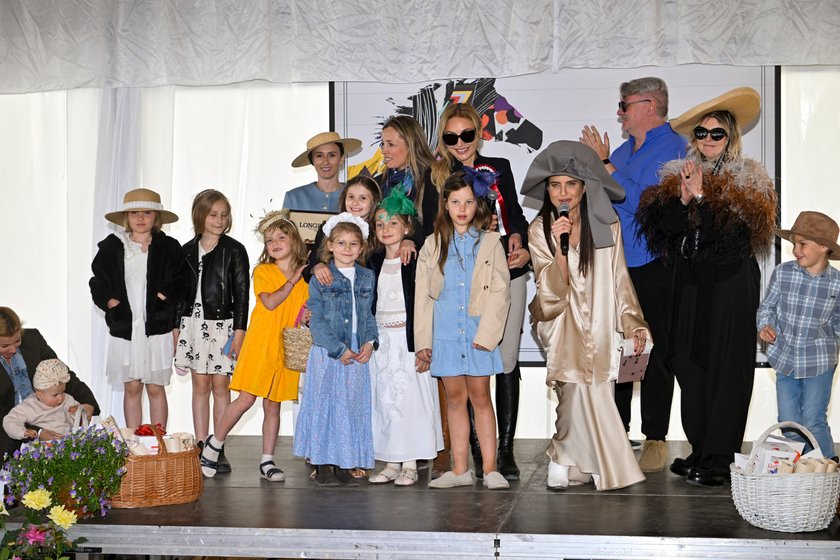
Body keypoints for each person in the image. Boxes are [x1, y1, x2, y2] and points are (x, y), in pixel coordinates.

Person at [636, 87, 777, 486]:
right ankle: (700, 449)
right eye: (702, 133)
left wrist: (702, 196)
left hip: (730, 285)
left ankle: (720, 458)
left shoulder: (750, 178)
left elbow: (734, 239)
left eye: (717, 133)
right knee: (687, 361)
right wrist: (682, 200)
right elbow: (659, 232)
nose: (709, 140)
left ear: (730, 137)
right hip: (690, 283)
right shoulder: (675, 174)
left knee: (726, 367)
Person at [522, 140, 648, 491]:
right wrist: (559, 249)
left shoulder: (608, 226)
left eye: (570, 185)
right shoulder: (539, 229)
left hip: (603, 324)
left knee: (599, 395)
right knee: (572, 395)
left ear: (584, 187)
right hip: (562, 322)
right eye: (555, 185)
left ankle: (578, 463)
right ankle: (564, 457)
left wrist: (633, 322)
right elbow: (550, 293)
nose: (563, 193)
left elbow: (621, 279)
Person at [580, 77, 687, 473]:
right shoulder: (623, 152)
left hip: (655, 263)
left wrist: (605, 166)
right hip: (616, 264)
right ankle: (617, 431)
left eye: (625, 105)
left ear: (648, 105)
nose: (620, 112)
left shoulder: (674, 147)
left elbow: (650, 201)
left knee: (654, 349)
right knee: (622, 351)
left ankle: (656, 436)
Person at [429, 103, 530, 480]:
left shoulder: (499, 168)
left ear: (479, 134)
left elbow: (514, 216)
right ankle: (473, 451)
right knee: (461, 366)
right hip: (459, 282)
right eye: (451, 137)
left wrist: (517, 239)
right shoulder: (437, 176)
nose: (460, 143)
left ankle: (504, 451)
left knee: (504, 360)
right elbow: (429, 229)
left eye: (466, 135)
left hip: (506, 271)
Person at [415, 170, 511, 491]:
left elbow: (501, 292)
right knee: (454, 399)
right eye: (455, 201)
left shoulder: (489, 244)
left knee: (481, 397)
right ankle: (459, 469)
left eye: (468, 202)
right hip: (444, 333)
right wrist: (423, 342)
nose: (462, 208)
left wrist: (488, 335)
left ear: (476, 205)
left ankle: (490, 468)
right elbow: (424, 297)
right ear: (445, 203)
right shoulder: (432, 245)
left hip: (477, 333)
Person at [200, 210, 309, 481]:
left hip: (286, 345)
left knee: (273, 405)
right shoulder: (264, 271)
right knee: (246, 399)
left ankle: (267, 460)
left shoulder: (307, 275)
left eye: (281, 237)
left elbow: (304, 308)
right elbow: (270, 302)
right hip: (261, 343)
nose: (275, 244)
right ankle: (214, 444)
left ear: (294, 240)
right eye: (269, 240)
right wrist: (293, 279)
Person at [293, 213, 379, 487]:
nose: (347, 248)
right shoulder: (322, 277)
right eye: (340, 243)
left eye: (353, 243)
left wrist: (370, 342)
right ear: (329, 245)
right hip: (329, 350)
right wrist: (338, 348)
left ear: (362, 246)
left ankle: (344, 461)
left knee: (350, 407)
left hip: (356, 349)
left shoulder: (367, 277)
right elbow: (316, 319)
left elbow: (367, 315)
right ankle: (322, 463)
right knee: (324, 405)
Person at [90, 188, 183, 430]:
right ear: (126, 217)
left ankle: (159, 440)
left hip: (156, 325)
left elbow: (180, 280)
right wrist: (111, 302)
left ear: (157, 217)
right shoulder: (112, 246)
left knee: (155, 386)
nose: (140, 218)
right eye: (134, 213)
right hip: (126, 326)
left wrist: (165, 297)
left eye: (147, 212)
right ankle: (133, 440)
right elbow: (98, 280)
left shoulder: (169, 247)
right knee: (132, 386)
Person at [368, 189, 443, 487]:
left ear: (408, 228)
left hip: (409, 341)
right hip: (383, 342)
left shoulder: (415, 257)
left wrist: (425, 342)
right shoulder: (372, 261)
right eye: (380, 224)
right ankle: (391, 460)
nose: (385, 229)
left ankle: (411, 462)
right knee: (386, 401)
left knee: (411, 400)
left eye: (393, 223)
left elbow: (427, 301)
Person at [175, 189, 250, 475]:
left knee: (221, 387)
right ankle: (200, 443)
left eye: (224, 214)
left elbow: (242, 294)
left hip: (222, 326)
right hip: (193, 325)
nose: (220, 220)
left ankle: (217, 448)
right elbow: (180, 295)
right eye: (213, 214)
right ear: (200, 216)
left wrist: (240, 332)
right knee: (200, 386)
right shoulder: (185, 250)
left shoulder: (234, 250)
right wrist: (176, 330)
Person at [757, 211, 840, 461]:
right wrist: (765, 326)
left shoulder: (836, 283)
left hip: (819, 362)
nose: (796, 250)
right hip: (786, 360)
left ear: (824, 247)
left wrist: (834, 344)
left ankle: (828, 471)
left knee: (813, 420)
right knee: (789, 423)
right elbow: (767, 307)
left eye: (802, 244)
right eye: (794, 244)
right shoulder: (783, 273)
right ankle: (807, 470)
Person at [0, 307, 100, 458]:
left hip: (49, 425)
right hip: (7, 433)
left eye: (17, 340)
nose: (13, 349)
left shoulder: (33, 340)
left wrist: (87, 403)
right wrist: (37, 431)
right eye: (5, 346)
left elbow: (62, 375)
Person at [379, 115, 438, 237]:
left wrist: (411, 241)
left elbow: (434, 230)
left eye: (390, 144)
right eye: (383, 144)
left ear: (411, 145)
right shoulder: (380, 183)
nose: (384, 150)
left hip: (422, 253)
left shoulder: (432, 180)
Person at [3, 358, 81, 441]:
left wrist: (76, 413)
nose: (61, 397)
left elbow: (77, 423)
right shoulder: (30, 406)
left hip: (66, 444)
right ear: (39, 394)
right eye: (55, 395)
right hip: (41, 448)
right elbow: (10, 420)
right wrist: (22, 432)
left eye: (63, 392)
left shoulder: (68, 400)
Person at [284, 132, 362, 212]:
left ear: (341, 159)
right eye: (319, 156)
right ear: (312, 160)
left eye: (331, 155)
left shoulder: (357, 195)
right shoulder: (294, 197)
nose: (325, 162)